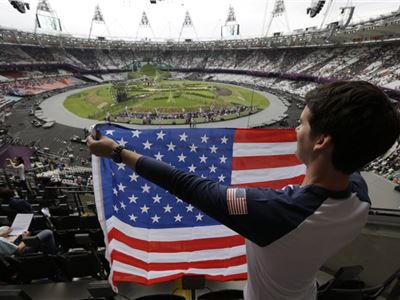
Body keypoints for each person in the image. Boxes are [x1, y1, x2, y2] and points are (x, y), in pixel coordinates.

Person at [87, 81, 400, 300]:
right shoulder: (360, 196)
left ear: (322, 141)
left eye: (302, 123)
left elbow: (189, 186)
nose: (295, 130)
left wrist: (118, 152)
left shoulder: (273, 214)